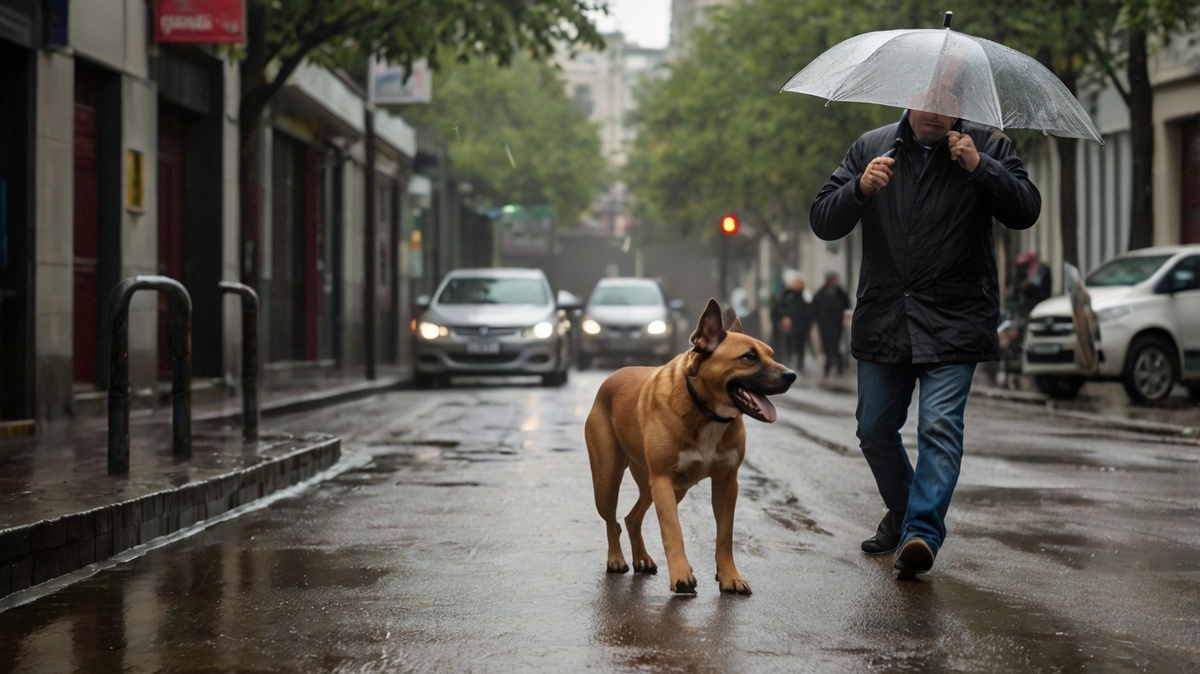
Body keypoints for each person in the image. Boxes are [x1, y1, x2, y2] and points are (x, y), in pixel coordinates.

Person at [809, 95, 1041, 579]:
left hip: (957, 317)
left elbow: (1026, 210)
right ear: (906, 99)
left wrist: (982, 169)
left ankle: (921, 532)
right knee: (873, 429)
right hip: (886, 315)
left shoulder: (988, 144)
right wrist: (859, 188)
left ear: (961, 100)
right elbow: (823, 219)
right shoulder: (872, 147)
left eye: (946, 100)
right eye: (924, 99)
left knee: (938, 427)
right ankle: (903, 512)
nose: (933, 110)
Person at [770, 273, 813, 370]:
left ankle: (794, 366)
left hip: (796, 330)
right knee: (794, 349)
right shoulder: (789, 299)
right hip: (793, 330)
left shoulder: (789, 300)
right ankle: (795, 366)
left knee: (793, 349)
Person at [811, 271, 850, 377]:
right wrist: (817, 319)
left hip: (837, 324)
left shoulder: (840, 293)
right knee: (826, 346)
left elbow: (847, 306)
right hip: (824, 324)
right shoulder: (821, 293)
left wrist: (844, 319)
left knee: (837, 345)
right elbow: (814, 307)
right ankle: (828, 366)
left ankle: (840, 366)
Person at [1015, 251, 1053, 316]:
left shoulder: (1042, 269)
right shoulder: (1030, 270)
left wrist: (1028, 283)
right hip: (1030, 302)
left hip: (1040, 301)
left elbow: (1038, 283)